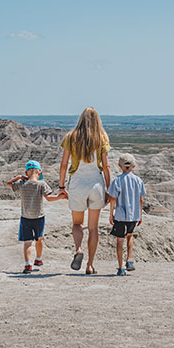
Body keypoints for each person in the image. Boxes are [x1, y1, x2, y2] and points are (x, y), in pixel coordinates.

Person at [58, 107, 111, 274]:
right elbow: (106, 166)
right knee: (93, 228)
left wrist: (61, 187)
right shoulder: (101, 137)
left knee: (76, 224)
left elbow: (64, 165)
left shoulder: (71, 137)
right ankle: (90, 265)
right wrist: (109, 189)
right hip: (96, 184)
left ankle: (79, 249)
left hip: (77, 185)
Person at [7, 160, 66, 274]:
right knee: (39, 238)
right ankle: (38, 259)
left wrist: (19, 177)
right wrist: (60, 197)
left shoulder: (22, 184)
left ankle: (28, 264)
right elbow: (49, 198)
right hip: (39, 217)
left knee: (28, 242)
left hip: (25, 218)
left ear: (26, 172)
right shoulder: (41, 184)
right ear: (39, 172)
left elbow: (8, 184)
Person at [107, 153, 146, 276]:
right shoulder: (138, 181)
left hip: (120, 215)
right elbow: (141, 199)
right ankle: (129, 260)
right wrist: (140, 215)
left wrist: (111, 214)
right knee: (130, 236)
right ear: (133, 166)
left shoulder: (117, 180)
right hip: (133, 215)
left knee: (120, 241)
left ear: (120, 166)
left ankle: (121, 267)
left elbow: (113, 199)